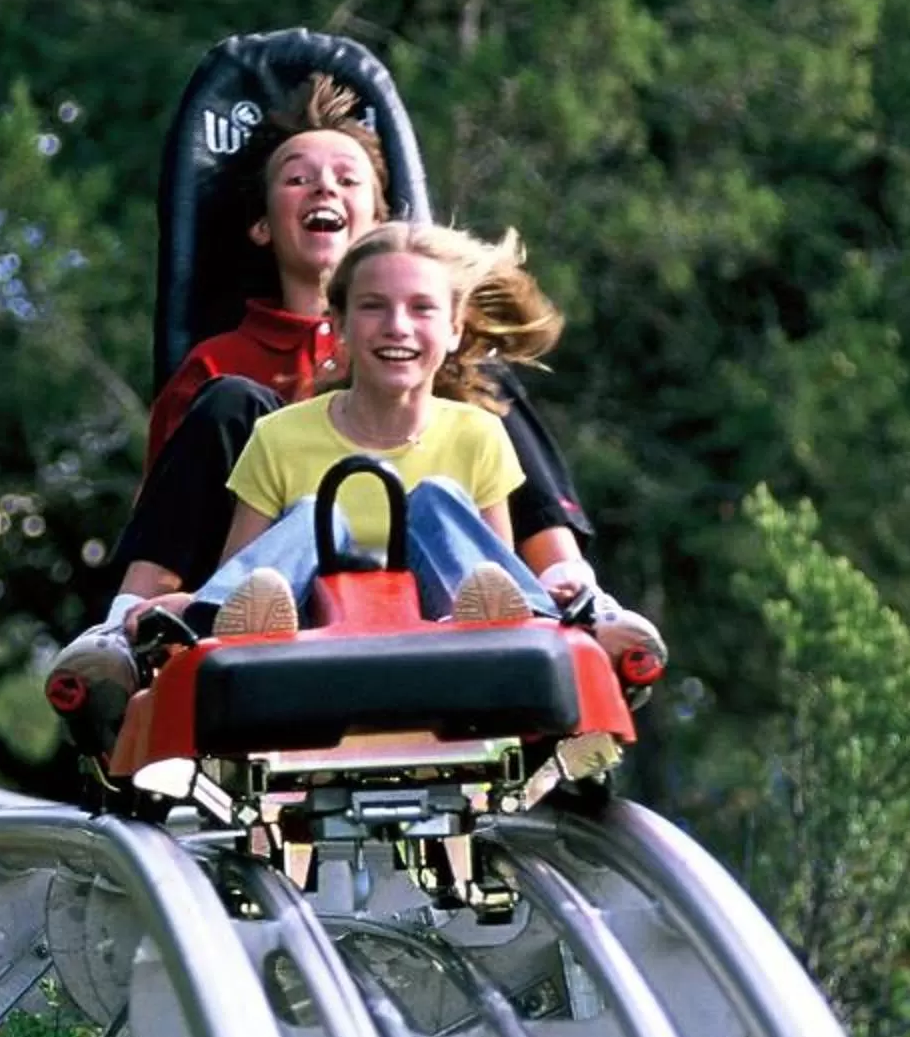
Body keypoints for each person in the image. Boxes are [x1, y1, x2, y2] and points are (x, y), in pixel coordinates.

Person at [49, 74, 618, 737]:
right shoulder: (224, 370)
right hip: (279, 586)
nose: (324, 189)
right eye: (298, 179)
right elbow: (183, 509)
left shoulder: (438, 359)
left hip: (427, 580)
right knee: (236, 405)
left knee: (482, 389)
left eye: (347, 180)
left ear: (378, 220)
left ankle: (574, 596)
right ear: (263, 225)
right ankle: (129, 627)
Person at [184, 223, 666, 679]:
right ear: (340, 324)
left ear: (454, 329)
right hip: (314, 628)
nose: (397, 326)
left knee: (437, 497)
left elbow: (490, 550)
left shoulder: (478, 434)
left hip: (437, 626)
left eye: (421, 309)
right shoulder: (279, 436)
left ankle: (514, 617)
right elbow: (243, 560)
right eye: (373, 307)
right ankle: (220, 616)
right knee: (316, 514)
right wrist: (199, 603)